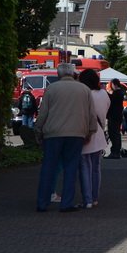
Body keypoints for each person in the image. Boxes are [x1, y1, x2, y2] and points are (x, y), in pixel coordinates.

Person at [35, 63, 98, 212]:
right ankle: (67, 203)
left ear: (58, 74)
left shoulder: (51, 89)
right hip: (76, 134)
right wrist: (90, 131)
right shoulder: (84, 89)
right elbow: (91, 113)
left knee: (48, 168)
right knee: (71, 169)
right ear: (73, 74)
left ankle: (42, 203)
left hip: (53, 134)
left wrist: (38, 130)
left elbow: (43, 113)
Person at [78, 69, 108, 208]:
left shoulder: (84, 93)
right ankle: (95, 197)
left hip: (86, 132)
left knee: (85, 167)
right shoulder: (104, 94)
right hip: (100, 132)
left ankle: (88, 199)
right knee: (96, 167)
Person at [105, 78, 126, 158]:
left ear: (114, 84)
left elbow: (112, 100)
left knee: (113, 134)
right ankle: (116, 151)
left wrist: (107, 93)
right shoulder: (120, 92)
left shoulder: (117, 93)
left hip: (114, 116)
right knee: (116, 134)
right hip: (117, 115)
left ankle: (115, 152)